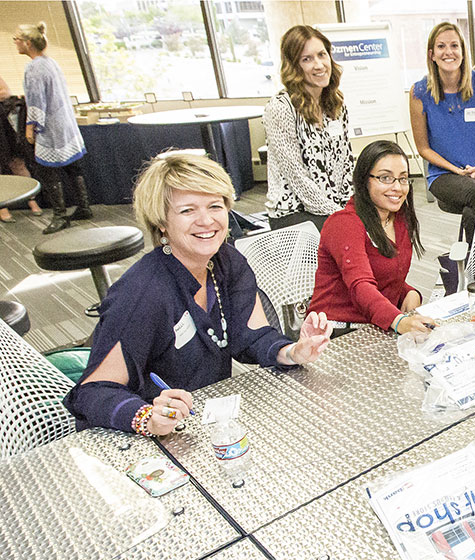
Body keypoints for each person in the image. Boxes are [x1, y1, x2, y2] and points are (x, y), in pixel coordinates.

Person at [63, 153, 332, 437]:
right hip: (142, 440)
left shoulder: (228, 262)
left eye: (215, 206)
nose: (206, 221)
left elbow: (252, 335)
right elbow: (92, 393)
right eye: (187, 210)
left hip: (203, 426)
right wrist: (146, 417)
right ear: (161, 223)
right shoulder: (142, 292)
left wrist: (293, 351)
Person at [309, 141, 437, 336]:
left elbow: (386, 276)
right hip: (335, 331)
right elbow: (360, 285)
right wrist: (400, 321)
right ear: (364, 180)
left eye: (403, 179)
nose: (397, 187)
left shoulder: (399, 218)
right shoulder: (344, 223)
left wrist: (408, 293)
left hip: (377, 324)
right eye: (385, 178)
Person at [410, 22, 475, 244]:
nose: (448, 52)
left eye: (454, 45)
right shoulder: (419, 92)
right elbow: (423, 148)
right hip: (445, 175)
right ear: (431, 54)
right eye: (441, 46)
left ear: (463, 52)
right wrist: (456, 170)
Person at [264, 25, 354, 231]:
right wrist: (338, 214)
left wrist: (352, 208)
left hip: (334, 207)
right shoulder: (280, 109)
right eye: (307, 59)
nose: (319, 65)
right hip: (295, 211)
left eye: (322, 55)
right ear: (294, 66)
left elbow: (346, 164)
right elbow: (297, 177)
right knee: (351, 236)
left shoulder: (336, 104)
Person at [15, 23, 88, 234]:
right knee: (73, 168)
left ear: (28, 43)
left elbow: (37, 101)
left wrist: (31, 127)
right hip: (65, 123)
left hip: (51, 128)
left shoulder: (34, 67)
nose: (15, 43)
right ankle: (84, 207)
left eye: (17, 39)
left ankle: (60, 215)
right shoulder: (51, 63)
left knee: (48, 172)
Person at [0, 73, 42, 223]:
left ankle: (32, 201)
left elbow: (6, 93)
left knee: (17, 163)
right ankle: (2, 208)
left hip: (4, 129)